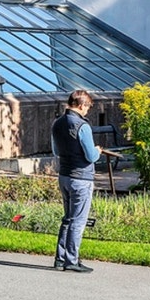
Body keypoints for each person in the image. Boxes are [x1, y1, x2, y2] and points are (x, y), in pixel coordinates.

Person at [50, 88, 102, 273]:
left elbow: (56, 151)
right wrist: (98, 151)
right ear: (81, 105)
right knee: (78, 221)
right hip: (81, 177)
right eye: (88, 107)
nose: (88, 110)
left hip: (64, 175)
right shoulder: (82, 126)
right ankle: (71, 260)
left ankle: (60, 258)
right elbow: (91, 156)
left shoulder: (57, 123)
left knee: (68, 219)